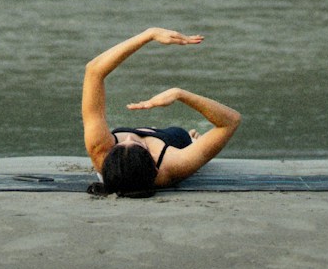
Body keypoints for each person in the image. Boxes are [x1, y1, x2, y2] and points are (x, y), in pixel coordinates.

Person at [81, 27, 241, 197]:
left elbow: (94, 71)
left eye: (120, 146)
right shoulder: (171, 166)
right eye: (137, 145)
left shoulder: (101, 151)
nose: (128, 137)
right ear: (154, 165)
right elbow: (231, 121)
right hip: (179, 141)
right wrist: (180, 94)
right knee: (186, 138)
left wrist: (149, 34)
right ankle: (192, 141)